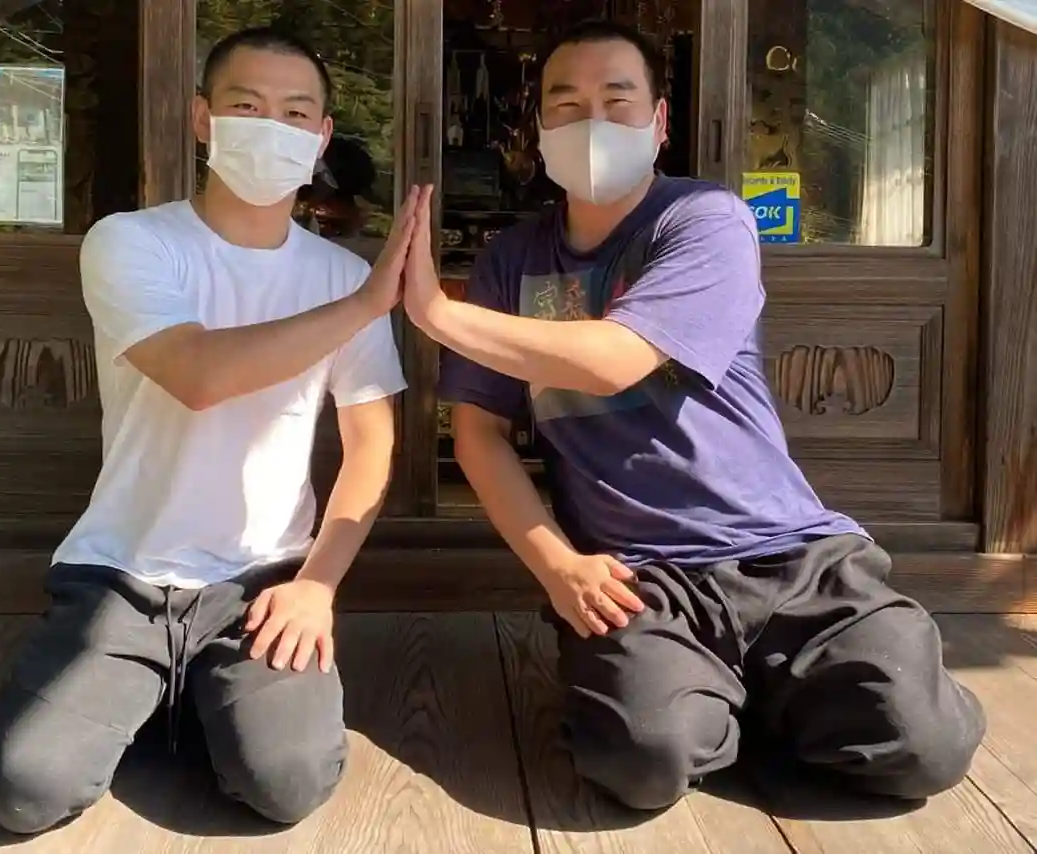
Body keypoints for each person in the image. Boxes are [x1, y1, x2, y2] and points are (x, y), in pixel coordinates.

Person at [408, 20, 986, 811]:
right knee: (643, 759)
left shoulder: (704, 219)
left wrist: (436, 313)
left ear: (660, 122)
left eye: (617, 101)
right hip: (641, 577)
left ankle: (778, 686)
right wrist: (558, 566)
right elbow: (478, 434)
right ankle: (732, 696)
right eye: (566, 105)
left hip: (790, 558)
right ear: (537, 128)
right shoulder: (513, 260)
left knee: (923, 746)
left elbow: (616, 357)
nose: (591, 123)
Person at [0, 28, 419, 834]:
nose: (272, 127)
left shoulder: (340, 274)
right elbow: (198, 375)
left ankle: (180, 698)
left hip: (262, 580)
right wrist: (361, 308)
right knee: (24, 789)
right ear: (204, 117)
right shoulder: (133, 242)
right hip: (122, 575)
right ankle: (154, 690)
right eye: (248, 105)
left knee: (289, 783)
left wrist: (317, 585)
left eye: (296, 113)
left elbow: (371, 445)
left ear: (321, 136)